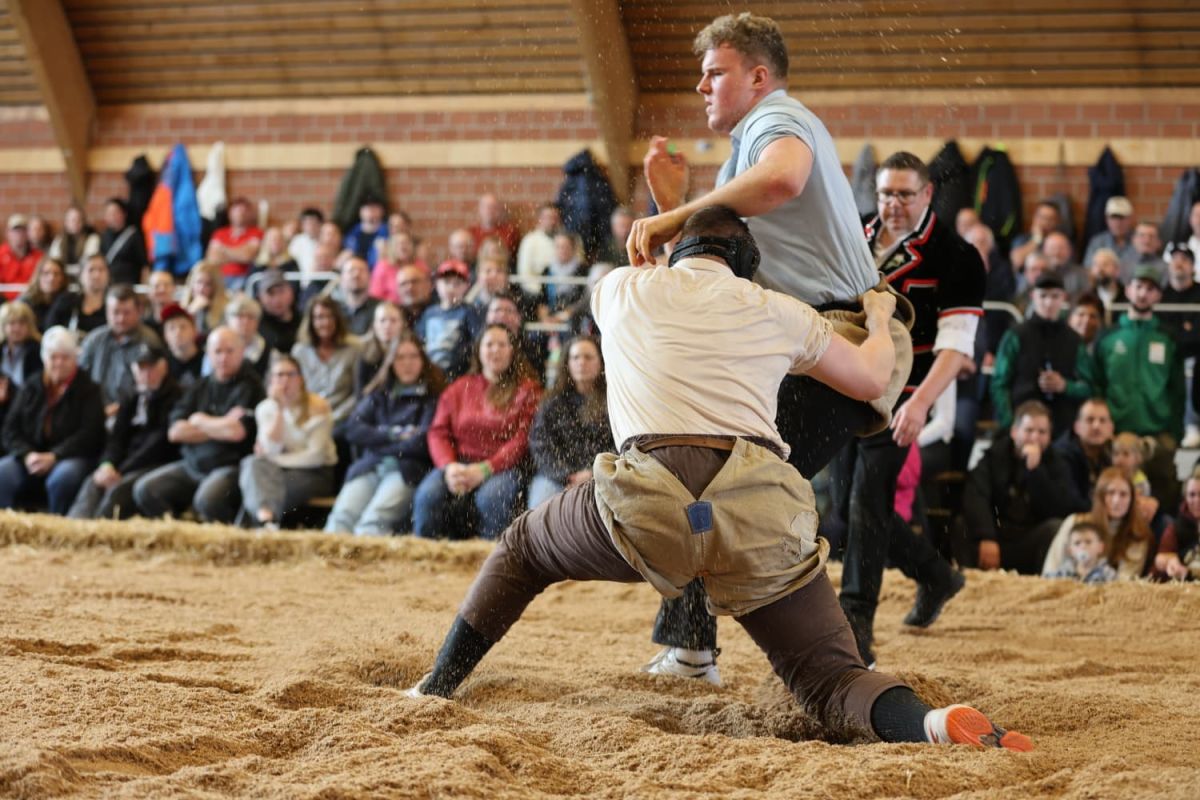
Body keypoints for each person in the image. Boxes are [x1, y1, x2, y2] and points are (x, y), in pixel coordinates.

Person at [408, 206, 1031, 752]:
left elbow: (651, 269)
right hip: (758, 508)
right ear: (748, 264)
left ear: (671, 252)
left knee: (522, 549)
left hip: (644, 504)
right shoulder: (778, 310)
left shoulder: (619, 288)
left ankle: (436, 684)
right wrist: (878, 313)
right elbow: (872, 379)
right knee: (831, 680)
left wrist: (664, 222)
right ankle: (929, 723)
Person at [624, 12, 914, 679]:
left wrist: (676, 213)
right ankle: (707, 645)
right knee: (717, 478)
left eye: (715, 72)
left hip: (845, 336)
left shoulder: (775, 118)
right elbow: (711, 269)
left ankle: (807, 658)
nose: (702, 86)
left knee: (723, 482)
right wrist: (676, 208)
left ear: (758, 77)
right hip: (814, 343)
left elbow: (783, 177)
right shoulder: (744, 153)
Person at [830, 151, 981, 665]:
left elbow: (956, 347)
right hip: (847, 383)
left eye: (904, 194)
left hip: (903, 393)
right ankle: (936, 575)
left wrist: (919, 404)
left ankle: (855, 626)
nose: (893, 204)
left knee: (869, 500)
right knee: (845, 509)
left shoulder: (957, 255)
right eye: (885, 193)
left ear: (927, 194)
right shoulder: (854, 234)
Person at [412, 324, 541, 540]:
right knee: (427, 496)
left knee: (491, 499)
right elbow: (438, 432)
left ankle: (494, 552)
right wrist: (449, 466)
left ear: (512, 351)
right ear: (479, 351)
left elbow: (522, 438)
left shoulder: (528, 390)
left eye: (502, 344)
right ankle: (426, 553)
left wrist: (486, 468)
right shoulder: (459, 387)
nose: (495, 350)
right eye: (489, 344)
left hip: (503, 467)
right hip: (458, 463)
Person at [132, 326, 264, 523]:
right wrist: (221, 424)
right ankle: (178, 534)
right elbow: (175, 432)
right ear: (208, 354)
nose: (223, 357)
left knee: (207, 500)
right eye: (217, 351)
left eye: (229, 351)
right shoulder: (200, 385)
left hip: (229, 467)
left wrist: (199, 420)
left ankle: (223, 538)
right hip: (191, 465)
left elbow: (236, 432)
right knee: (145, 490)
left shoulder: (252, 386)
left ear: (241, 351)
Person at [325, 333, 443, 536]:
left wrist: (376, 439)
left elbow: (421, 442)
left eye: (413, 356)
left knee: (373, 521)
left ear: (423, 360)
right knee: (341, 518)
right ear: (390, 362)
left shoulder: (434, 398)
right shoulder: (379, 394)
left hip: (407, 470)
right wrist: (395, 434)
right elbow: (352, 428)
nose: (407, 363)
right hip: (371, 466)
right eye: (400, 357)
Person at [962, 400, 1089, 574]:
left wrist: (1035, 471)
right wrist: (986, 536)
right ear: (1015, 432)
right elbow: (976, 495)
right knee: (961, 525)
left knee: (1055, 528)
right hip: (996, 536)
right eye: (1029, 430)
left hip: (1030, 539)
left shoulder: (1057, 462)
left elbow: (1062, 507)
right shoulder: (994, 456)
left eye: (1042, 432)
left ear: (1049, 436)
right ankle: (967, 580)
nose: (1035, 437)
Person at [67, 342, 181, 520]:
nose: (146, 373)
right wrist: (107, 465)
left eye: (151, 367)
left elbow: (158, 443)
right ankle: (73, 529)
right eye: (141, 368)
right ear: (134, 370)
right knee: (93, 482)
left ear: (163, 366)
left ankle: (98, 532)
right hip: (123, 464)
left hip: (153, 464)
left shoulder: (175, 397)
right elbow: (116, 438)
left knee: (118, 491)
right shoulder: (132, 396)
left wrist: (121, 470)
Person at [0, 326, 104, 514]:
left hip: (70, 456)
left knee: (63, 478)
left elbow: (90, 434)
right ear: (44, 358)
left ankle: (57, 527)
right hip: (30, 456)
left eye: (65, 357)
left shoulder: (89, 390)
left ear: (75, 359)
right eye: (53, 357)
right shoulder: (31, 386)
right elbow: (10, 429)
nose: (59, 363)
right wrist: (27, 454)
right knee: (3, 472)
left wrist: (54, 456)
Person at [237, 353, 337, 528]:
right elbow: (270, 450)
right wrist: (280, 410)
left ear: (301, 379)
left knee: (263, 487)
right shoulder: (265, 408)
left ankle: (260, 525)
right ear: (271, 380)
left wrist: (275, 460)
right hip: (278, 468)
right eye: (279, 375)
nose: (285, 380)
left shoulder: (318, 406)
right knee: (251, 464)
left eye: (291, 374)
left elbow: (316, 457)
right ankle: (267, 521)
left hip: (315, 472)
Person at [990, 274, 1090, 436]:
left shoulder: (1074, 340)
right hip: (1022, 425)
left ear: (1063, 297)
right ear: (1033, 296)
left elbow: (1089, 386)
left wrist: (1065, 386)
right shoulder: (1016, 335)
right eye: (1043, 296)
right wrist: (1011, 424)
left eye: (1055, 296)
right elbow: (999, 383)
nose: (1049, 303)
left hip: (1062, 429)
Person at [526, 335, 613, 509]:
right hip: (556, 478)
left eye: (588, 357)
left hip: (603, 476)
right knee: (541, 509)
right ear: (567, 363)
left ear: (601, 362)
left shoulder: (613, 401)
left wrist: (592, 473)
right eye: (575, 357)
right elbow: (541, 446)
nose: (581, 362)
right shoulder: (552, 402)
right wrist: (567, 475)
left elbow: (617, 446)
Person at [1042, 467, 1155, 580]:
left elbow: (1125, 581)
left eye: (1123, 494)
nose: (1116, 500)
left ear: (1132, 499)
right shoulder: (1075, 521)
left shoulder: (1137, 534)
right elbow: (1051, 566)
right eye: (1110, 493)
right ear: (1100, 496)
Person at [78, 284, 166, 416]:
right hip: (93, 411)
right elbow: (80, 377)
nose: (121, 319)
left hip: (133, 414)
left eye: (126, 313)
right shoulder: (94, 340)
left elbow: (152, 388)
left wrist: (121, 408)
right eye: (115, 312)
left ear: (139, 311)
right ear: (107, 312)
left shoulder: (150, 341)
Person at [290, 295, 361, 424]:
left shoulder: (353, 350)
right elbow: (294, 389)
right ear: (311, 321)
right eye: (320, 317)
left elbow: (357, 393)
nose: (326, 322)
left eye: (330, 316)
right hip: (308, 418)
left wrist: (333, 417)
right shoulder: (299, 352)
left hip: (342, 418)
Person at [416, 260, 482, 381]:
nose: (451, 288)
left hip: (457, 373)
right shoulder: (429, 313)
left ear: (466, 286)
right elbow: (419, 340)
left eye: (457, 284)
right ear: (436, 284)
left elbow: (477, 341)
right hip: (430, 373)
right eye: (446, 282)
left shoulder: (469, 312)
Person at [1052, 398, 1114, 504]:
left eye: (1102, 420)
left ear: (1111, 428)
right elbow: (1071, 502)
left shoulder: (1114, 452)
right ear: (1077, 427)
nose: (1096, 426)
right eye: (1090, 420)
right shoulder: (1062, 455)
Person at [0, 301, 43, 434]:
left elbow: (37, 389)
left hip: (29, 409)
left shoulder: (38, 351)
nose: (17, 328)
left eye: (22, 323)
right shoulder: (1, 349)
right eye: (12, 323)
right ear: (3, 326)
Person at [45, 253, 110, 336]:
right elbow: (50, 331)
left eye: (101, 270)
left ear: (108, 274)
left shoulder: (114, 304)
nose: (96, 275)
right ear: (81, 275)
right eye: (91, 270)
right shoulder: (66, 300)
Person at [206, 197, 263, 289]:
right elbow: (212, 259)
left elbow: (247, 256)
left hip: (243, 278)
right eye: (237, 211)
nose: (240, 214)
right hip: (219, 278)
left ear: (249, 214)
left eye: (244, 211)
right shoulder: (219, 233)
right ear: (230, 213)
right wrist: (239, 252)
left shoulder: (257, 233)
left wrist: (223, 250)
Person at [1153, 475, 1200, 581]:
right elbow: (1160, 558)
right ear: (1185, 497)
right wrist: (1170, 562)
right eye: (1192, 495)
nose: (1197, 500)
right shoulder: (1175, 528)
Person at [353, 301, 404, 396]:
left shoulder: (409, 349)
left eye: (393, 320)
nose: (387, 325)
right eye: (382, 320)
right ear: (374, 324)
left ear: (401, 324)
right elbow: (360, 393)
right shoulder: (363, 350)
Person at [1046, 521, 1117, 584]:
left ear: (1100, 547)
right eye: (1077, 543)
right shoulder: (1062, 572)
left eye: (1088, 542)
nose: (1083, 546)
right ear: (1070, 550)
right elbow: (1046, 583)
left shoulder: (1108, 574)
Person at [98, 198, 148, 286]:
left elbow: (144, 264)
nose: (112, 217)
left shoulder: (133, 235)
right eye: (109, 213)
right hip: (109, 283)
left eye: (115, 213)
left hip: (129, 283)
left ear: (124, 214)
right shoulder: (104, 236)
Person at [515, 202, 560, 295]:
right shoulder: (529, 240)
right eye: (548, 217)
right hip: (536, 292)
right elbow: (524, 273)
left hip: (564, 290)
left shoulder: (570, 240)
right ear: (540, 219)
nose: (552, 222)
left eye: (555, 218)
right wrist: (540, 294)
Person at [325, 256, 378, 337]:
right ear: (341, 278)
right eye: (351, 270)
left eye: (361, 270)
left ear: (369, 277)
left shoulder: (380, 310)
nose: (356, 274)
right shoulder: (331, 310)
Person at [220, 295, 271, 377]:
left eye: (251, 317)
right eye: (240, 316)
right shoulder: (217, 346)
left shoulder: (269, 351)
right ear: (228, 320)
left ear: (258, 322)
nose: (245, 321)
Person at [368, 231, 425, 304]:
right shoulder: (382, 267)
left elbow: (426, 289)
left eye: (406, 243)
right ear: (392, 248)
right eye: (398, 244)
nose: (403, 246)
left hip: (419, 305)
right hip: (391, 306)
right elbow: (375, 295)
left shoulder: (420, 265)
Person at [1083, 196, 1136, 270]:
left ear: (1130, 218)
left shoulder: (1140, 241)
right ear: (1106, 219)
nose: (1117, 222)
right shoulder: (1098, 242)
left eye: (1122, 218)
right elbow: (1089, 268)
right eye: (1113, 217)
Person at [256, 270, 301, 356]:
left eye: (281, 291)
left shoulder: (303, 319)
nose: (277, 299)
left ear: (291, 292)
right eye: (271, 293)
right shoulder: (256, 324)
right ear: (260, 297)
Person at [18, 257, 69, 331]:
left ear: (63, 278)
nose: (51, 278)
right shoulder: (25, 302)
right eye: (46, 273)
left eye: (56, 274)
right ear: (38, 277)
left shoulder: (68, 301)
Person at [48, 205, 100, 276]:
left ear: (84, 222)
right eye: (72, 220)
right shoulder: (59, 240)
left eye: (79, 220)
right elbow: (54, 261)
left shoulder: (92, 239)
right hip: (62, 277)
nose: (75, 223)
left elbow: (88, 263)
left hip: (84, 276)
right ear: (66, 222)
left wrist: (64, 269)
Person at [160, 303, 203, 388]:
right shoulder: (161, 365)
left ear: (195, 331)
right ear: (165, 336)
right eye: (172, 328)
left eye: (183, 327)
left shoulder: (207, 361)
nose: (177, 332)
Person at [0, 214, 42, 300]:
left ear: (28, 233)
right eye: (16, 230)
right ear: (7, 233)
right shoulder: (1, 254)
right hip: (3, 300)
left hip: (30, 300)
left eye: (23, 230)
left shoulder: (38, 256)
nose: (19, 234)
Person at [182, 260, 228, 337]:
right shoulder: (183, 304)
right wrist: (191, 312)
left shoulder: (225, 309)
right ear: (191, 283)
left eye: (208, 284)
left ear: (215, 287)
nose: (201, 288)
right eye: (199, 282)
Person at [468, 193, 521, 260]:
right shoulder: (470, 233)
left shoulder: (510, 232)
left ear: (499, 210)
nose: (490, 211)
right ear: (479, 210)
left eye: (494, 207)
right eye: (486, 207)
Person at [340, 197, 388, 270]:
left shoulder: (387, 231)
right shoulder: (352, 232)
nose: (371, 212)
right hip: (355, 268)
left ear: (382, 211)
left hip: (377, 270)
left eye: (374, 208)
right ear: (360, 211)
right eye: (367, 208)